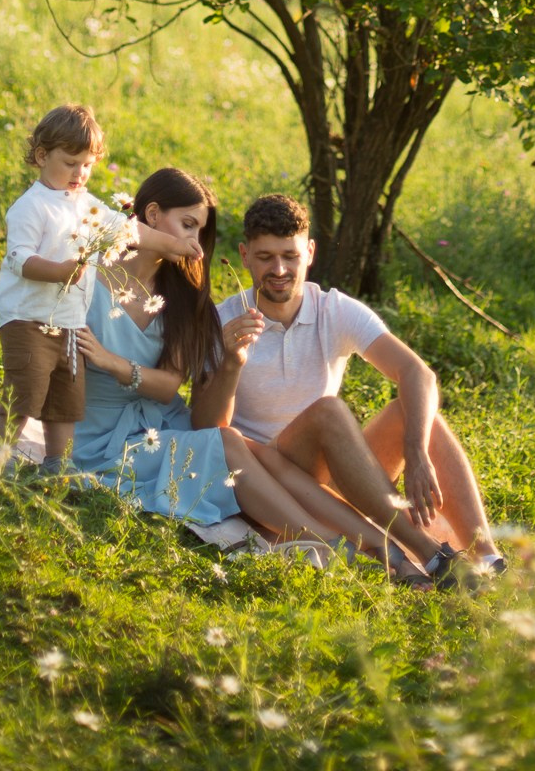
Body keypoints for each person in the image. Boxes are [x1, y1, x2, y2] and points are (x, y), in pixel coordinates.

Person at [70, 167, 433, 577]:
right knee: (230, 440)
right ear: (152, 215)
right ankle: (335, 547)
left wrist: (113, 363)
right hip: (103, 439)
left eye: (200, 231)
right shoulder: (85, 274)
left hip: (162, 423)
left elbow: (169, 385)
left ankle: (393, 552)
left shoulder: (182, 295)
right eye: (188, 225)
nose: (195, 243)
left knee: (243, 443)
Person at [197, 193, 504, 580]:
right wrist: (230, 362)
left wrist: (416, 452)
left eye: (290, 256)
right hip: (265, 484)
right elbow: (208, 432)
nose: (279, 269)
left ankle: (488, 558)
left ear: (310, 252)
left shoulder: (331, 308)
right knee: (328, 412)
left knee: (416, 416)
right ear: (244, 255)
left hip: (331, 479)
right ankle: (425, 552)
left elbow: (417, 373)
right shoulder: (221, 321)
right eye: (265, 257)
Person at [0, 104, 203, 476]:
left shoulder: (87, 206)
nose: (80, 173)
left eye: (88, 165)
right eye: (71, 163)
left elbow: (130, 230)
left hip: (69, 321)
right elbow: (19, 259)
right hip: (28, 317)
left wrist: (175, 245)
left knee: (66, 397)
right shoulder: (31, 206)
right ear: (42, 157)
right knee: (26, 388)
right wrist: (60, 271)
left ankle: (57, 463)